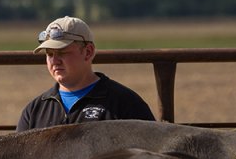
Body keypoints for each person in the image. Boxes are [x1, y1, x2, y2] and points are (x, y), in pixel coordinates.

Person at [16, 16, 155, 132]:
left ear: (88, 52)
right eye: (49, 54)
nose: (55, 61)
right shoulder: (34, 110)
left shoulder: (125, 104)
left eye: (62, 52)